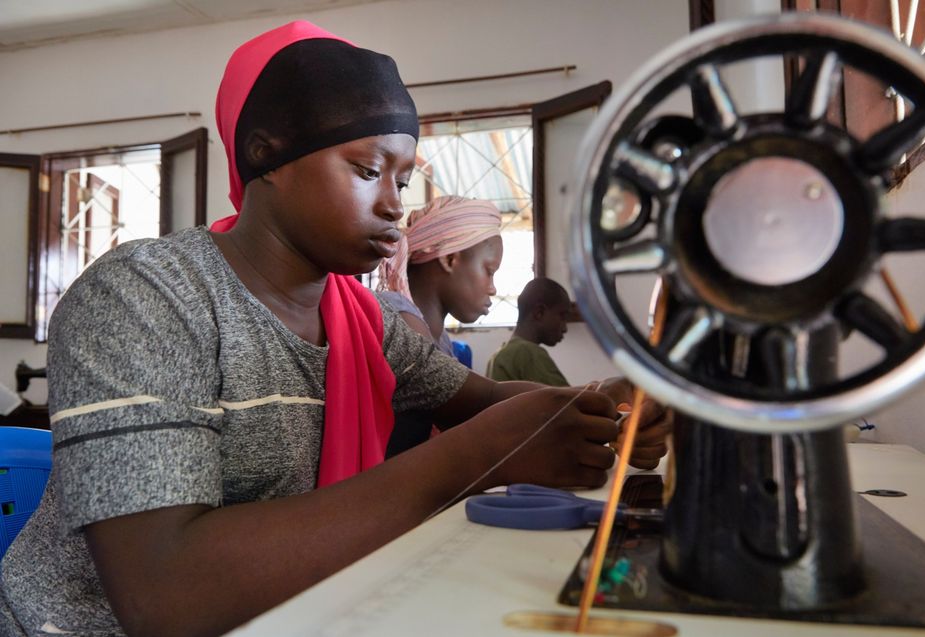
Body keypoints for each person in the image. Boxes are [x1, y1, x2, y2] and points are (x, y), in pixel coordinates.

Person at [0, 21, 669, 637]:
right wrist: (468, 458)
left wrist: (612, 399)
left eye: (402, 181)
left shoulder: (366, 323)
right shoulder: (148, 295)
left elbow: (495, 407)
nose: (392, 204)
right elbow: (166, 595)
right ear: (266, 158)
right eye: (367, 170)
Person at [376, 195, 503, 456]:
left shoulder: (440, 338)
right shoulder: (397, 316)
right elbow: (473, 404)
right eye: (489, 271)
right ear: (450, 259)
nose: (492, 288)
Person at [487, 277, 572, 386]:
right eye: (562, 316)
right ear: (539, 312)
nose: (565, 328)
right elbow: (571, 401)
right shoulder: (527, 352)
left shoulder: (498, 356)